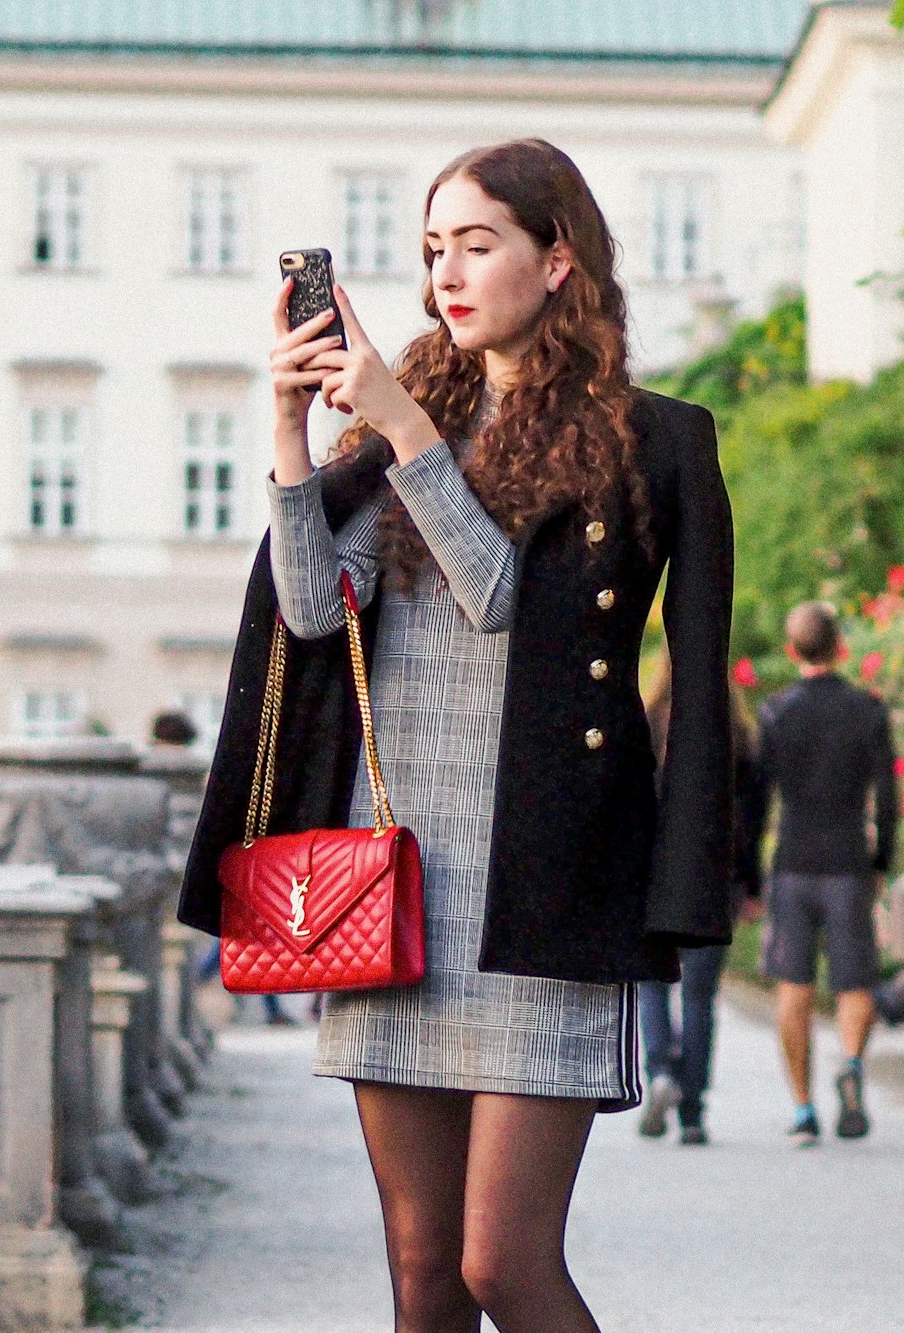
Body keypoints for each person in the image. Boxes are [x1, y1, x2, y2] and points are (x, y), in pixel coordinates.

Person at [179, 139, 734, 1332]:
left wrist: (398, 426)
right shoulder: (396, 432)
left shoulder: (650, 442)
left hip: (545, 895)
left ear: (557, 259)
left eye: (477, 244)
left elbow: (502, 605)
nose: (447, 272)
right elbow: (312, 613)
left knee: (502, 1264)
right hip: (390, 891)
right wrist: (292, 431)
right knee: (422, 1272)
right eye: (433, 249)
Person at [756, 601, 899, 1146]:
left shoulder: (776, 713)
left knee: (793, 987)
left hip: (793, 861)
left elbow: (756, 801)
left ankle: (802, 1109)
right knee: (855, 982)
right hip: (847, 863)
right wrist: (882, 860)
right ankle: (853, 1065)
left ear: (793, 651)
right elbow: (887, 797)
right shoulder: (868, 711)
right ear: (841, 647)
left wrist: (749, 867)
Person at [637, 656, 763, 1145]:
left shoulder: (648, 722)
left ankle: (661, 1073)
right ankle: (692, 1111)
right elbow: (752, 820)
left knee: (652, 983)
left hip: (655, 872)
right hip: (716, 876)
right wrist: (751, 883)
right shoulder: (736, 730)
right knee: (699, 995)